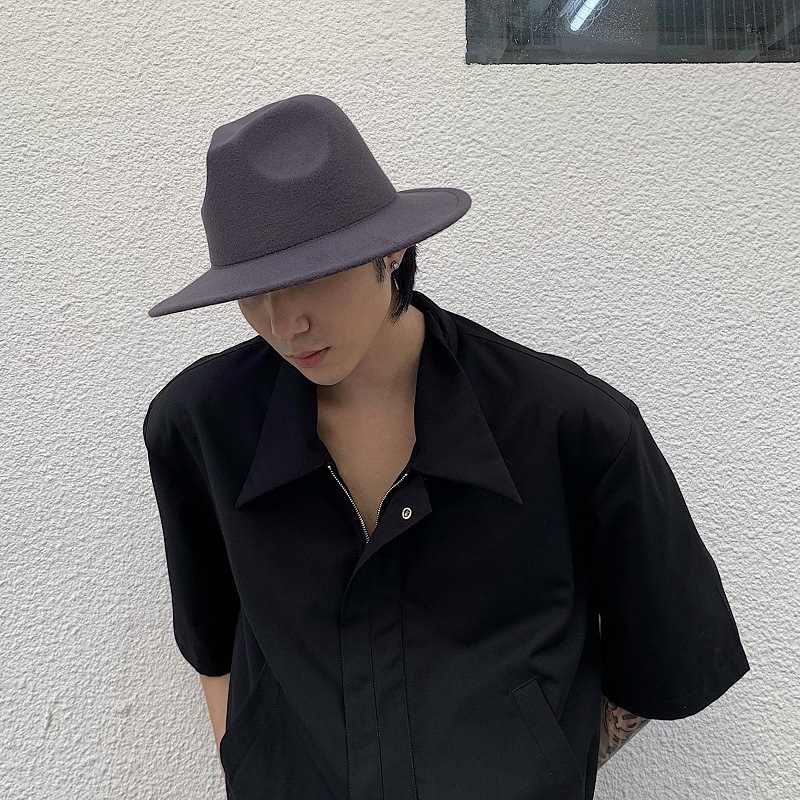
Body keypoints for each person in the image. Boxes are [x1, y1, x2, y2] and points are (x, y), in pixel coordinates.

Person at [143, 94, 750, 800]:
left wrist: (537, 767)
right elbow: (213, 641)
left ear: (391, 248)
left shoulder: (571, 425)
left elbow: (666, 653)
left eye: (313, 275)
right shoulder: (200, 425)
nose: (286, 322)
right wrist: (245, 765)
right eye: (253, 291)